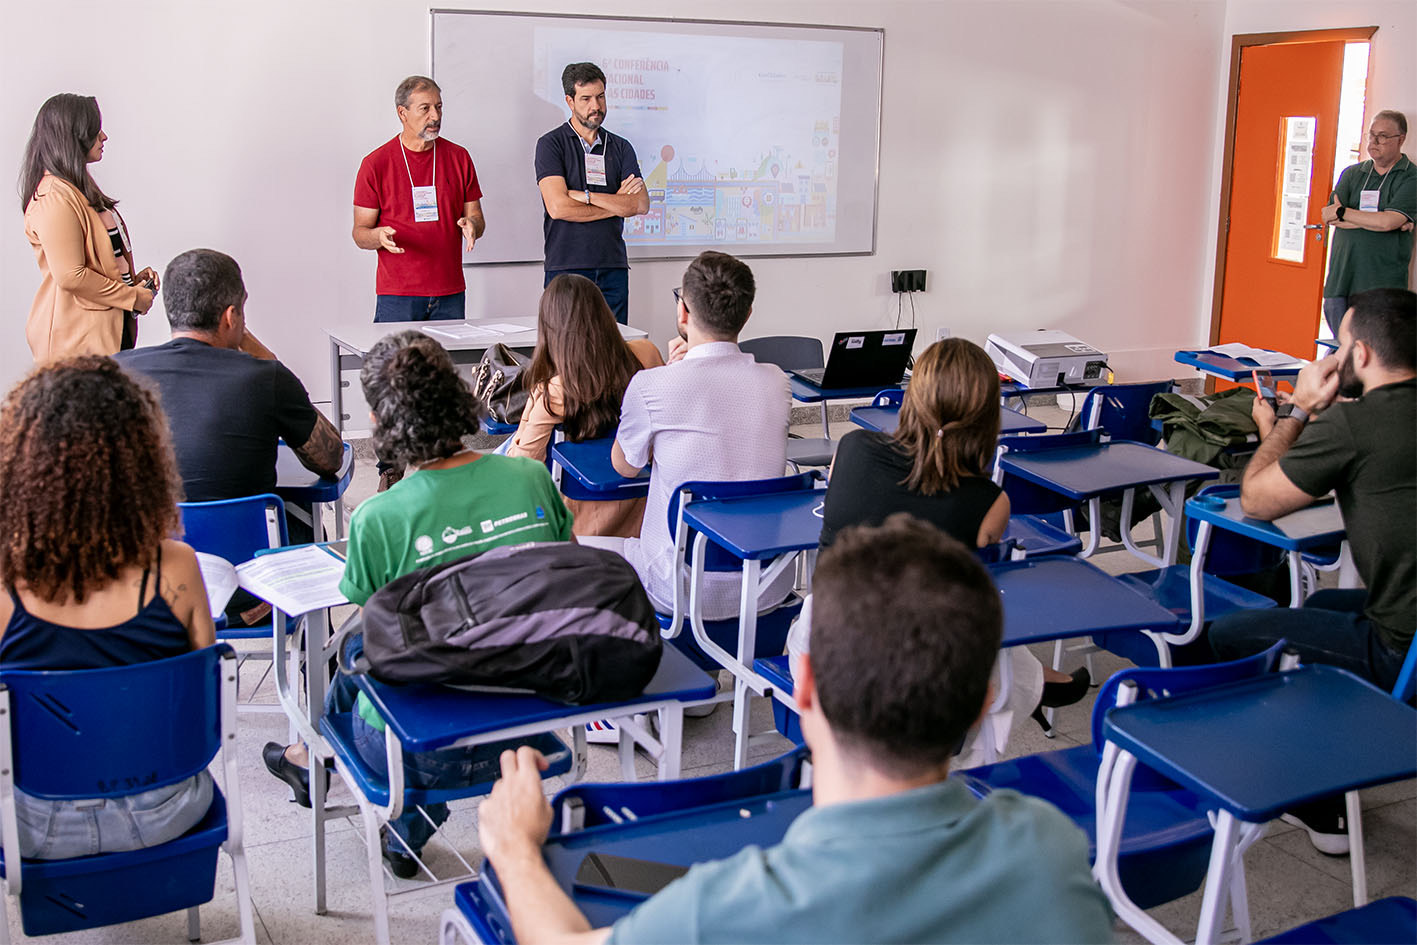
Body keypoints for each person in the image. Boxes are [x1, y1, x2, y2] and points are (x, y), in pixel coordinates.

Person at [478, 515, 1115, 944]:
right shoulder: (1052, 852)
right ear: (987, 701)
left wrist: (512, 843)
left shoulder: (727, 909)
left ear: (802, 687)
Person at [263, 331, 572, 878]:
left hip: (416, 750)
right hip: (528, 729)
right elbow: (561, 571)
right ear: (458, 397)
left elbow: (370, 614)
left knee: (355, 652)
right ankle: (390, 822)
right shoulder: (530, 477)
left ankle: (354, 791)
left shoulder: (379, 519)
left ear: (380, 425)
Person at [1208, 287, 1415, 854]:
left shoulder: (1354, 427)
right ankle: (1334, 749)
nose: (1329, 357)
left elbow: (1255, 499)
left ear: (1364, 356)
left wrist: (1294, 414)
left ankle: (1314, 804)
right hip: (1406, 617)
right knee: (1320, 608)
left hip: (1403, 644)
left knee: (1229, 634)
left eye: (1338, 346)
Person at [808, 338, 1085, 760]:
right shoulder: (989, 502)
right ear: (989, 416)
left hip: (831, 646)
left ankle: (1037, 679)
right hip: (923, 675)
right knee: (976, 616)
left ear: (911, 396)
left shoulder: (851, 449)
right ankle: (1036, 681)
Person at [0, 357, 217, 859]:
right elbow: (204, 705)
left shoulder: (7, 582)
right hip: (166, 809)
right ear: (141, 463)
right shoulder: (177, 568)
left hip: (33, 826)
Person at [115, 249, 343, 625]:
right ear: (231, 315)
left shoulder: (115, 371)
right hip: (247, 590)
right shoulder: (264, 376)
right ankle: (320, 661)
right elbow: (330, 459)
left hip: (146, 587)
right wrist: (261, 353)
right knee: (300, 517)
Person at [597, 251, 790, 621]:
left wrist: (666, 379)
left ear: (683, 312)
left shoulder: (653, 385)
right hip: (765, 588)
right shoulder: (777, 381)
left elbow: (624, 466)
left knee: (563, 551)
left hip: (676, 589)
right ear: (747, 315)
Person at [505, 273, 664, 537]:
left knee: (504, 453)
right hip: (643, 512)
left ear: (549, 329)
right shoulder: (645, 353)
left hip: (580, 526)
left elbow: (520, 473)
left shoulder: (553, 389)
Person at [20, 93, 158, 361]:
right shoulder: (54, 197)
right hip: (76, 345)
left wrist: (132, 281)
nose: (103, 136)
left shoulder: (78, 189)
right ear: (73, 135)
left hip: (104, 335)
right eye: (95, 129)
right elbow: (71, 275)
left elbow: (97, 263)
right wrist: (131, 297)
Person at [353, 75, 485, 323]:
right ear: (402, 113)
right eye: (425, 108)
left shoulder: (459, 157)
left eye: (439, 107)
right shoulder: (376, 164)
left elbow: (476, 217)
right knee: (396, 363)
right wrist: (378, 236)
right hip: (398, 294)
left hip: (450, 292)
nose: (435, 116)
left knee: (447, 362)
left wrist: (473, 225)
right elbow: (360, 232)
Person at [535, 62, 649, 324]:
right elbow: (558, 208)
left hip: (613, 267)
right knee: (567, 349)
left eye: (600, 96)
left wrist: (586, 196)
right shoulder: (551, 144)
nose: (595, 106)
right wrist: (617, 203)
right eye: (586, 98)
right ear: (569, 101)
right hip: (566, 269)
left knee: (614, 350)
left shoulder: (621, 147)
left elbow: (640, 204)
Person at [1320, 110, 1415, 334]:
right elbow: (1328, 215)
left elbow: (1387, 223)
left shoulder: (1411, 177)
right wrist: (1378, 220)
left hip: (1381, 287)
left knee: (1372, 355)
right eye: (1371, 135)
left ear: (1400, 139)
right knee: (1340, 351)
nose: (1374, 142)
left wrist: (1344, 211)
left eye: (1382, 136)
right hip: (1340, 282)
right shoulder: (1353, 174)